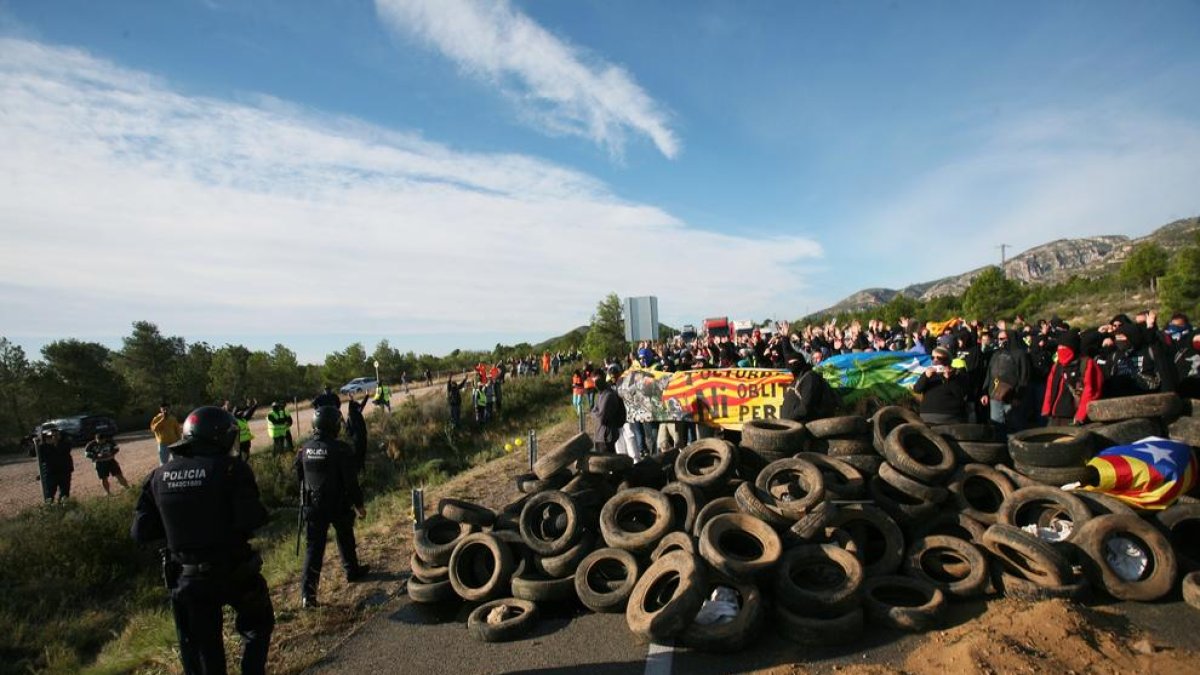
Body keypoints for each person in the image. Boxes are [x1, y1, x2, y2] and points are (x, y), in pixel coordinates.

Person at [131, 406, 275, 674]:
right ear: (220, 437)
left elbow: (142, 532)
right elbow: (251, 518)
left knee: (203, 648)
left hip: (186, 577)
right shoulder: (232, 469)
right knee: (257, 624)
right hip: (233, 570)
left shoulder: (157, 476)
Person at [295, 406, 369, 607]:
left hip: (312, 505)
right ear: (333, 425)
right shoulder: (340, 449)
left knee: (313, 550)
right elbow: (350, 482)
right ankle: (351, 571)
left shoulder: (305, 449)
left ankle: (307, 596)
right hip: (336, 503)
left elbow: (300, 478)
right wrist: (359, 505)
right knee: (345, 535)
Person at [1042, 330, 1103, 426]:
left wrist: (1080, 415)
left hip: (1073, 417)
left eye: (1064, 346)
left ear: (1072, 347)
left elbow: (1090, 392)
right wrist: (1046, 408)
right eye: (1059, 346)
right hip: (1055, 415)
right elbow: (1050, 388)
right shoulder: (1057, 365)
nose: (1060, 349)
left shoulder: (1086, 364)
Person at [981, 329, 1031, 437]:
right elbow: (989, 374)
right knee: (997, 424)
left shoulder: (1020, 354)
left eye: (1002, 339)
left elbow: (1024, 376)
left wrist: (1018, 396)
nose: (1000, 341)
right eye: (998, 339)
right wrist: (985, 392)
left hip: (1012, 396)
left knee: (1014, 426)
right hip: (994, 394)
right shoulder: (995, 354)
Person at [912, 347, 970, 424]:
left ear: (948, 360)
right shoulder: (929, 373)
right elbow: (917, 390)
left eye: (939, 358)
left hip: (950, 415)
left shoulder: (958, 373)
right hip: (928, 414)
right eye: (932, 357)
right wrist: (925, 376)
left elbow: (961, 394)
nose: (935, 360)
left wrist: (948, 379)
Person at [780, 354, 837, 422]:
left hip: (806, 425)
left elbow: (806, 407)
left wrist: (789, 419)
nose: (792, 366)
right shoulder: (796, 379)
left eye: (795, 363)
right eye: (790, 364)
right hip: (791, 425)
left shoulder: (810, 377)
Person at [34, 426, 73, 504]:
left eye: (56, 435)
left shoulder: (65, 444)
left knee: (65, 492)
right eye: (52, 436)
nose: (54, 437)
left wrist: (57, 441)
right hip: (51, 473)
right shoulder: (44, 447)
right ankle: (50, 508)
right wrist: (37, 442)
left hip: (64, 471)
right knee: (50, 493)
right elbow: (33, 453)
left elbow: (68, 445)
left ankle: (63, 506)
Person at [591, 371, 626, 453]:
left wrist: (595, 413)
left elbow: (601, 418)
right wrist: (596, 413)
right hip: (600, 435)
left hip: (606, 436)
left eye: (597, 381)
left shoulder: (608, 395)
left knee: (607, 462)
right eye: (594, 381)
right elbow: (593, 411)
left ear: (603, 380)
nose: (595, 384)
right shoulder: (601, 394)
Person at [345, 392, 369, 472]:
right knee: (358, 455)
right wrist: (350, 399)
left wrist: (367, 395)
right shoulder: (352, 414)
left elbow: (362, 406)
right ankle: (358, 470)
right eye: (357, 407)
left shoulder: (356, 413)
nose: (360, 408)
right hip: (357, 438)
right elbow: (352, 407)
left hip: (361, 437)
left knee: (362, 455)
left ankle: (362, 469)